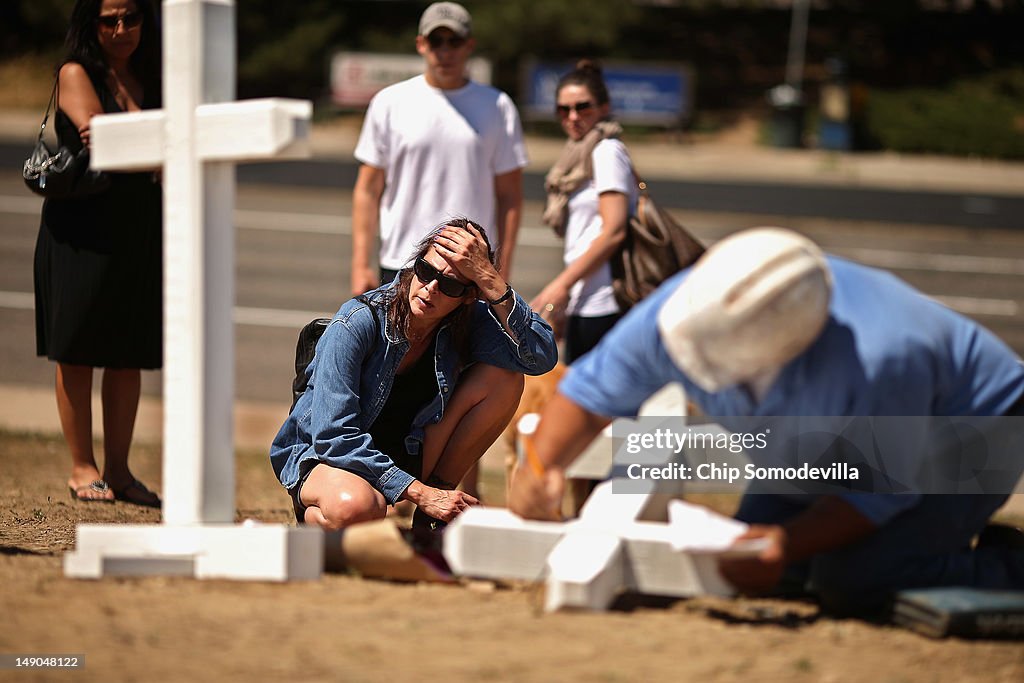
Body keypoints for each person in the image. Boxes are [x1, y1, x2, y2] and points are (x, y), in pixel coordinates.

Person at [509, 227, 1024, 616]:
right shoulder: (687, 308)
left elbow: (877, 494)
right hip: (820, 445)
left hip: (974, 429)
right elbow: (587, 396)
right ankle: (931, 543)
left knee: (855, 578)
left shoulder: (882, 355)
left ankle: (1004, 568)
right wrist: (540, 464)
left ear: (780, 355)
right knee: (759, 566)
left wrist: (783, 543)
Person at [271, 218, 558, 532]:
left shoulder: (467, 320)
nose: (431, 288)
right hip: (329, 458)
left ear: (468, 296)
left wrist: (489, 278)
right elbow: (333, 438)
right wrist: (422, 494)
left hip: (407, 450)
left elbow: (540, 357)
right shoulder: (355, 323)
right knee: (358, 507)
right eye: (425, 271)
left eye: (449, 284)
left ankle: (432, 521)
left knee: (506, 377)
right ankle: (318, 513)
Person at [34, 0, 162, 507]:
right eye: (109, 19)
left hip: (138, 227)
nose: (121, 28)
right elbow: (100, 137)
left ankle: (120, 470)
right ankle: (82, 466)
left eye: (130, 17)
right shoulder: (75, 71)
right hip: (81, 229)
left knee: (126, 352)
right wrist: (159, 149)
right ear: (91, 24)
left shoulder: (155, 75)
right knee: (78, 349)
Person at [350, 1, 528, 295]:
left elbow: (510, 196)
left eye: (454, 41)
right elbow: (368, 189)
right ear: (421, 44)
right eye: (436, 41)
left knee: (467, 344)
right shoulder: (390, 102)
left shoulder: (498, 106)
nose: (445, 51)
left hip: (469, 264)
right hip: (401, 262)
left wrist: (499, 270)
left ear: (469, 45)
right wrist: (360, 264)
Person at [532, 60, 638, 363]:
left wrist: (561, 285)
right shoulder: (580, 156)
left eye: (583, 107)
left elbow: (613, 230)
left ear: (604, 107)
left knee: (589, 404)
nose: (573, 117)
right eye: (564, 109)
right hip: (586, 298)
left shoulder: (606, 151)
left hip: (606, 300)